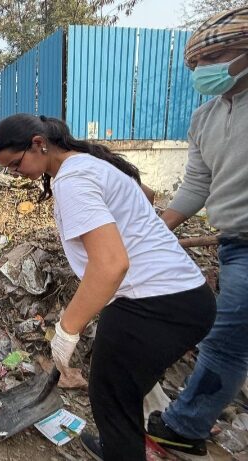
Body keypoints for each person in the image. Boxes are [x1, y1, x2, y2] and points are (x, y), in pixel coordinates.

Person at [0, 114, 216, 461]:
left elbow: (110, 265)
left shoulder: (72, 181)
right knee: (123, 388)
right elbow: (146, 195)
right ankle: (119, 445)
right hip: (187, 296)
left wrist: (68, 327)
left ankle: (120, 450)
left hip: (154, 302)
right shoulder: (92, 163)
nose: (16, 174)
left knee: (110, 398)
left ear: (38, 143)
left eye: (16, 164)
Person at [146, 7, 248, 459]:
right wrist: (154, 230)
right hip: (233, 244)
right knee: (231, 336)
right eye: (196, 68)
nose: (204, 73)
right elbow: (196, 186)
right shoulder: (204, 117)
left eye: (216, 59)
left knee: (223, 340)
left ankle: (183, 427)